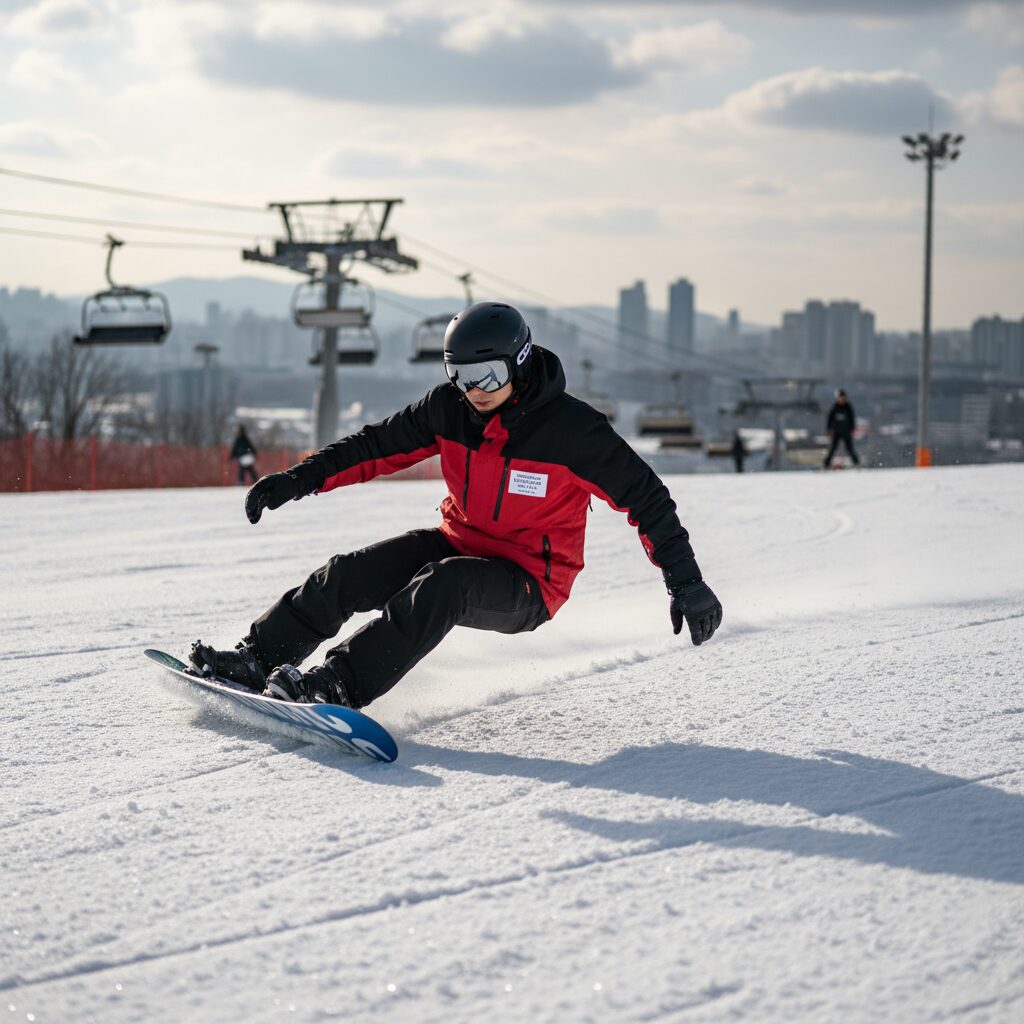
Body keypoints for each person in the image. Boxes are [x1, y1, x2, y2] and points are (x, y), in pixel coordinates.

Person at [190, 302, 723, 710]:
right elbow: (374, 447)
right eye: (461, 378)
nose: (476, 392)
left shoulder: (573, 433)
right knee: (348, 574)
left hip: (531, 581)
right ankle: (257, 657)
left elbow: (648, 501)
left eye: (488, 376)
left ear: (519, 363)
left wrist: (686, 582)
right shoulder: (450, 411)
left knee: (445, 586)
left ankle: (336, 685)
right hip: (457, 542)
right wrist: (296, 480)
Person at [823, 389, 860, 469]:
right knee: (832, 449)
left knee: (850, 449)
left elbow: (852, 419)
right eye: (839, 398)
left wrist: (852, 429)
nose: (841, 399)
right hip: (837, 432)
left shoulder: (848, 408)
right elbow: (830, 419)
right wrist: (829, 429)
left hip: (846, 432)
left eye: (842, 397)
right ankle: (826, 464)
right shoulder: (834, 408)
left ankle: (857, 463)